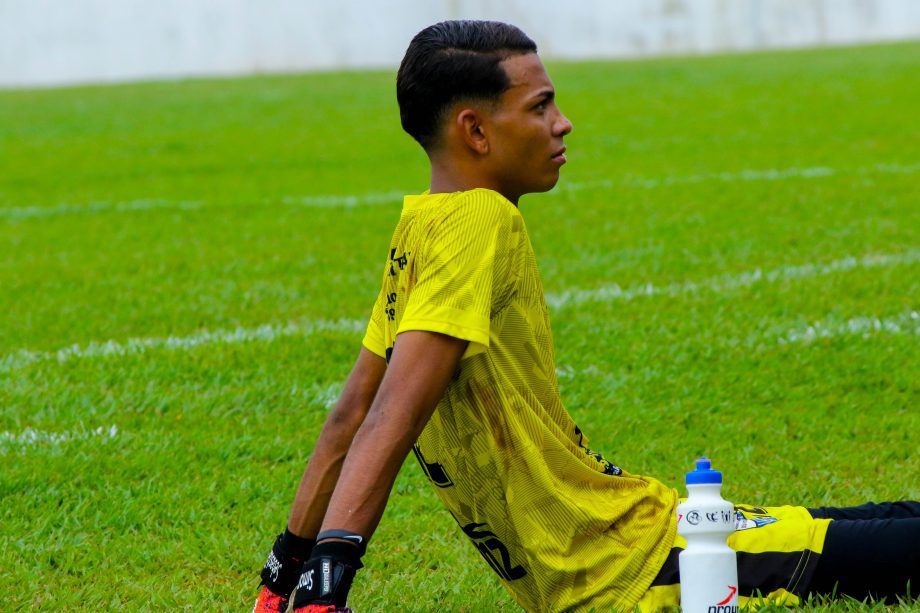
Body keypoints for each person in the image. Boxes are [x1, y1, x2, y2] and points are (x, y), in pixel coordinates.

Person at [253, 20, 920, 613]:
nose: (563, 122)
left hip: (635, 535)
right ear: (475, 130)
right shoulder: (481, 220)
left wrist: (285, 569)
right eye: (540, 106)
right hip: (630, 569)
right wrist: (331, 574)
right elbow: (391, 410)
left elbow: (350, 414)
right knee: (893, 545)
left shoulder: (421, 226)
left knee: (882, 525)